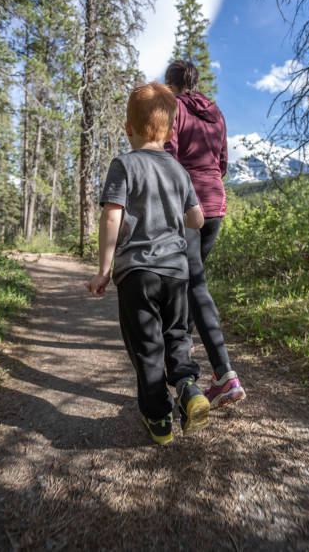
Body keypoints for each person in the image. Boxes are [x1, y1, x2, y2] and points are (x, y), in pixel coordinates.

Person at [86, 82, 210, 445]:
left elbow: (112, 216)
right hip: (175, 273)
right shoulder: (177, 169)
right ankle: (187, 385)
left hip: (137, 272)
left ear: (128, 128)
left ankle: (159, 420)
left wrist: (104, 270)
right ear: (171, 132)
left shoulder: (123, 165)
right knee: (176, 335)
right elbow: (198, 220)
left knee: (146, 345)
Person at [164, 60, 246, 409]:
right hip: (215, 204)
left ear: (171, 85)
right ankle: (190, 342)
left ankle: (225, 375)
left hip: (188, 204)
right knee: (193, 278)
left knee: (194, 283)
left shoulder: (173, 108)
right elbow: (223, 162)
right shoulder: (217, 114)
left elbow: (168, 156)